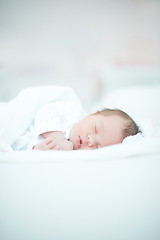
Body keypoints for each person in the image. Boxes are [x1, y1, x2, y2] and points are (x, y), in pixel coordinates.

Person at [32, 106, 141, 151]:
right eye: (95, 129)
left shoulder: (76, 157)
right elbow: (45, 111)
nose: (91, 141)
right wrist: (58, 139)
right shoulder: (74, 113)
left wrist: (39, 151)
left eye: (97, 147)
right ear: (93, 114)